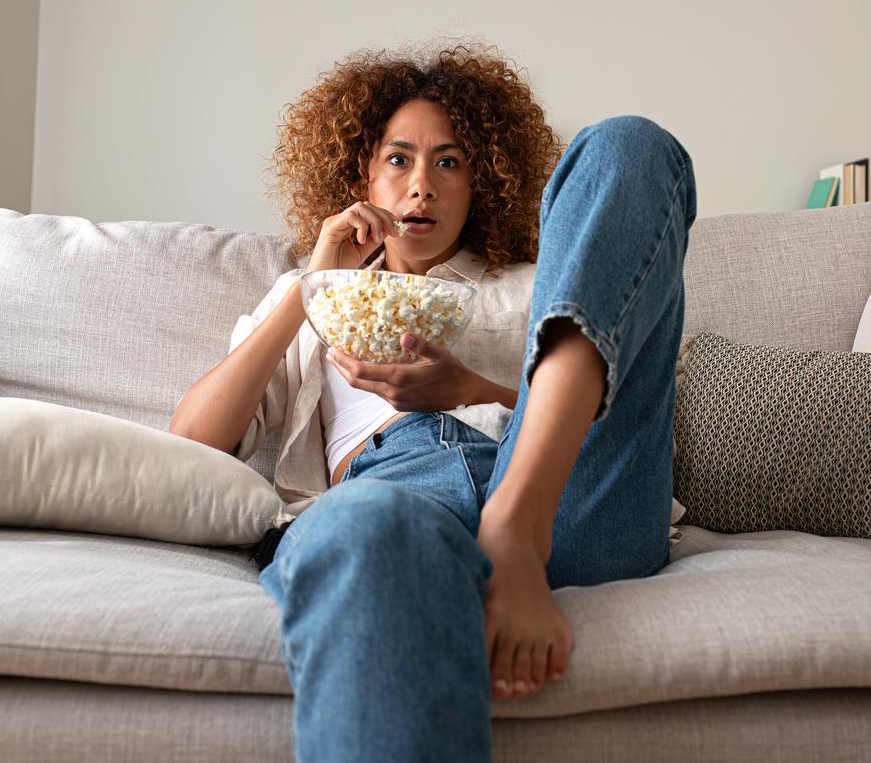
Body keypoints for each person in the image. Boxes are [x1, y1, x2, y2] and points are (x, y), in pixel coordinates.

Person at [170, 40, 697, 763]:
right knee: (368, 528)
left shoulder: (542, 282)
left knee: (626, 145)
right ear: (363, 173)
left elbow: (642, 438)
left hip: (558, 494)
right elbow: (194, 441)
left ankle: (515, 527)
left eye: (449, 162)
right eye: (399, 159)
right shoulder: (310, 299)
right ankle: (483, 537)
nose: (422, 185)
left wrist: (471, 391)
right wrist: (309, 289)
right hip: (396, 495)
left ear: (482, 181)